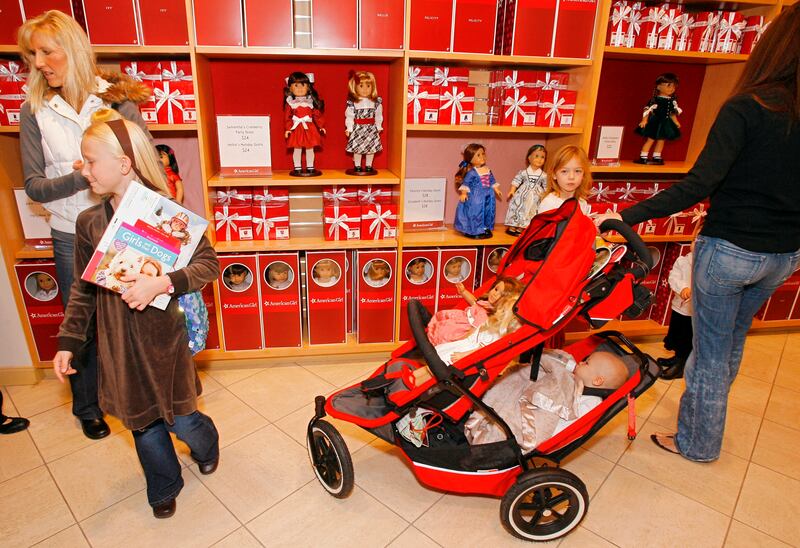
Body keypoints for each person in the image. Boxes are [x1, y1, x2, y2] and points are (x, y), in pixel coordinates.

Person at [594, 4, 800, 462]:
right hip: (784, 255)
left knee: (708, 350)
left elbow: (699, 184)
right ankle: (707, 422)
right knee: (730, 343)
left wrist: (627, 214)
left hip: (731, 249)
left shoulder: (748, 108)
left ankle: (697, 442)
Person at [53, 117, 220, 519]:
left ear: (124, 164)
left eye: (91, 161)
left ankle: (207, 443)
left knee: (182, 419)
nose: (84, 170)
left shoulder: (166, 215)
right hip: (118, 349)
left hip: (166, 344)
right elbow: (83, 290)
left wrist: (163, 282)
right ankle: (163, 486)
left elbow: (208, 265)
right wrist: (68, 342)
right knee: (143, 424)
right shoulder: (89, 223)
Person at [18, 10, 153, 441]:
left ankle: (143, 394)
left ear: (71, 49)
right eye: (31, 54)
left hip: (124, 229)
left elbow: (146, 167)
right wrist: (86, 173)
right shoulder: (34, 110)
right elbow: (35, 187)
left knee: (139, 313)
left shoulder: (116, 101)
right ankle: (87, 406)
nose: (38, 62)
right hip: (69, 233)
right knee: (82, 323)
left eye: (46, 51)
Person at [464, 349, 629, 451]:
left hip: (540, 424)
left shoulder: (592, 402)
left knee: (512, 408)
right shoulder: (576, 380)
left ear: (597, 381)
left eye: (586, 362)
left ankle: (492, 429)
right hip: (534, 397)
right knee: (517, 380)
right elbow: (559, 368)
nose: (580, 362)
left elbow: (566, 426)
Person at [434, 277, 525, 365]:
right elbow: (474, 302)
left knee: (444, 334)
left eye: (501, 295)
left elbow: (473, 332)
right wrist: (463, 292)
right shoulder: (487, 304)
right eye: (496, 289)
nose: (495, 293)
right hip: (462, 320)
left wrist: (460, 341)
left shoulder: (487, 315)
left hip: (466, 331)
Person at [658, 237, 696, 380]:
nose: (696, 245)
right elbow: (673, 276)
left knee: (687, 337)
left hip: (694, 311)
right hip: (679, 307)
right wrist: (682, 288)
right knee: (677, 332)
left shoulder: (707, 266)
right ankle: (678, 356)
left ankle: (682, 364)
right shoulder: (683, 261)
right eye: (694, 240)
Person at [453, 143, 502, 239]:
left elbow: (492, 180)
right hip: (476, 196)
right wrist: (463, 193)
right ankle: (474, 229)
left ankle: (484, 227)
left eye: (483, 154)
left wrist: (496, 189)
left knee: (487, 211)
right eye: (478, 155)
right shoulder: (472, 172)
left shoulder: (487, 169)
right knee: (476, 212)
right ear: (470, 158)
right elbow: (466, 183)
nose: (482, 157)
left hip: (488, 195)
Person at [633, 73, 682, 165]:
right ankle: (643, 156)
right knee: (651, 139)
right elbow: (647, 110)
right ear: (659, 87)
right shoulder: (655, 100)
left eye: (673, 87)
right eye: (668, 86)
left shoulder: (671, 101)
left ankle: (657, 156)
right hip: (655, 122)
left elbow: (672, 113)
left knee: (661, 140)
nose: (671, 89)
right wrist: (644, 120)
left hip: (665, 123)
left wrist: (675, 121)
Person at [284, 71, 325, 176]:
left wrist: (321, 126)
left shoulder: (310, 102)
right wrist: (288, 129)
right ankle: (297, 167)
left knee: (310, 148)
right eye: (296, 85)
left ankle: (310, 166)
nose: (300, 88)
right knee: (297, 149)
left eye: (303, 85)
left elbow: (317, 115)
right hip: (297, 128)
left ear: (308, 87)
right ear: (290, 88)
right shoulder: (291, 103)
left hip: (309, 128)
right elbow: (287, 117)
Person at [537, 145, 593, 216]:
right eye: (564, 171)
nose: (571, 177)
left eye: (577, 171)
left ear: (583, 175)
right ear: (554, 174)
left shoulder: (582, 203)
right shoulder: (549, 203)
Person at [345, 70, 383, 174]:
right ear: (355, 87)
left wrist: (379, 126)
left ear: (373, 87)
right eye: (361, 86)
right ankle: (357, 166)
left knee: (371, 148)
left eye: (368, 86)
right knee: (358, 149)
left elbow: (379, 115)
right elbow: (349, 116)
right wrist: (349, 128)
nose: (365, 89)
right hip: (358, 128)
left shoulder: (376, 102)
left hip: (371, 128)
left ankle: (369, 165)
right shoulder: (353, 103)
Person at [505, 144, 548, 236]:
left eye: (542, 157)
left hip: (536, 196)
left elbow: (546, 186)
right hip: (522, 194)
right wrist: (512, 190)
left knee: (530, 210)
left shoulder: (544, 175)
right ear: (529, 158)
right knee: (518, 207)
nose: (539, 159)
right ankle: (513, 225)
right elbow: (516, 181)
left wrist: (545, 195)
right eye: (536, 156)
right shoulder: (523, 173)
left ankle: (523, 226)